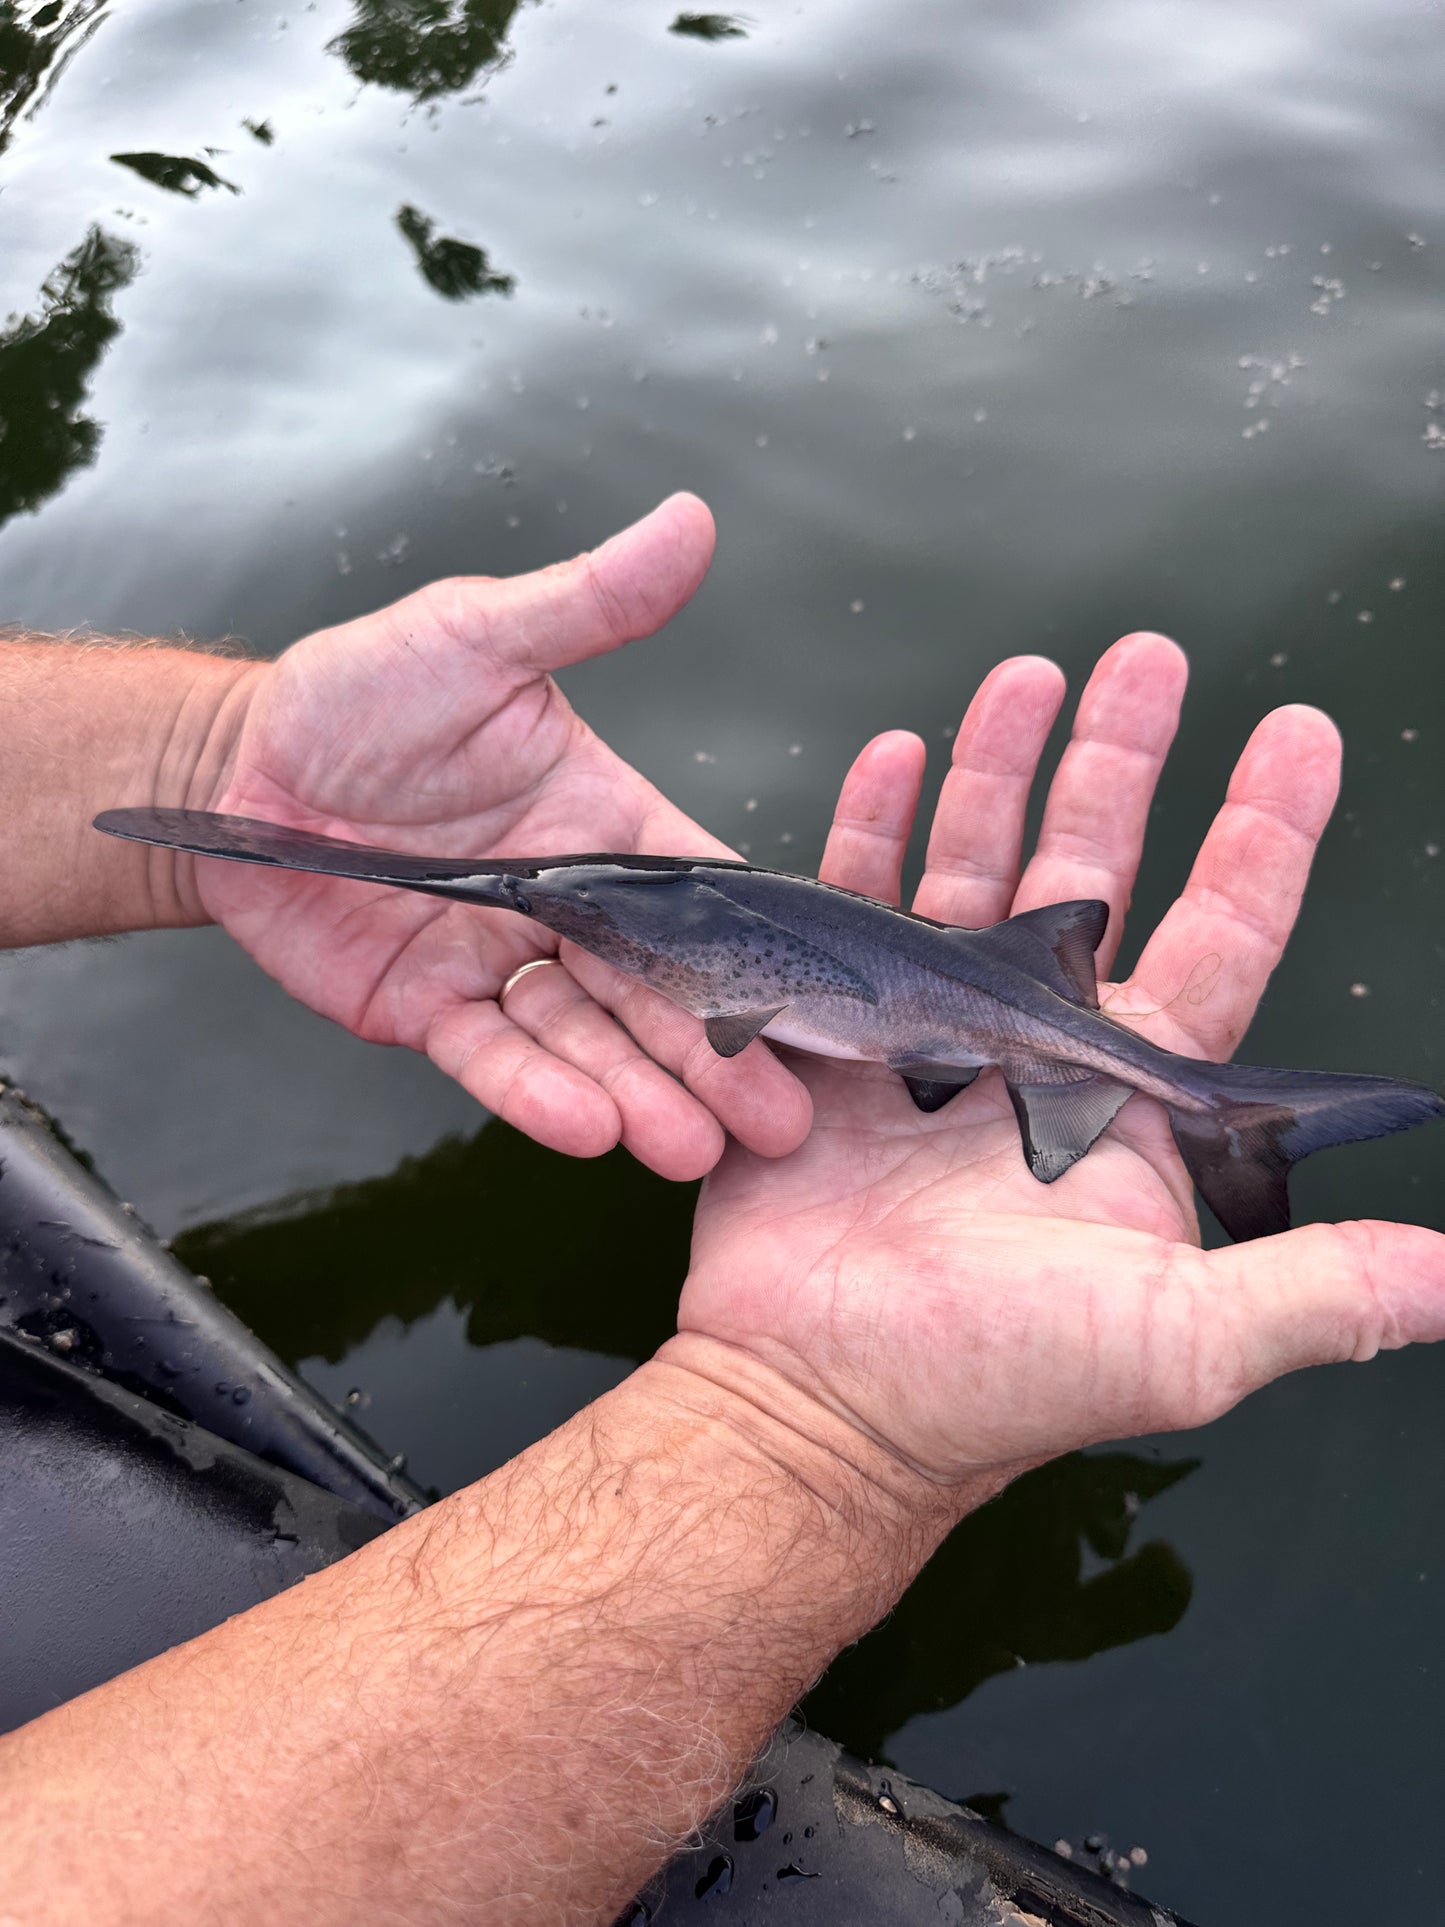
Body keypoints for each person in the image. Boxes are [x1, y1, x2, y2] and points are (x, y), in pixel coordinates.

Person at [0, 494, 1439, 1926]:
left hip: (983, 1019)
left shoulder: (714, 951)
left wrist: (219, 758)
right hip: (914, 1016)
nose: (524, 904)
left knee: (1120, 1071)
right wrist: (820, 1430)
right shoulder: (666, 942)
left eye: (543, 897)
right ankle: (1203, 1103)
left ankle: (1227, 1113)